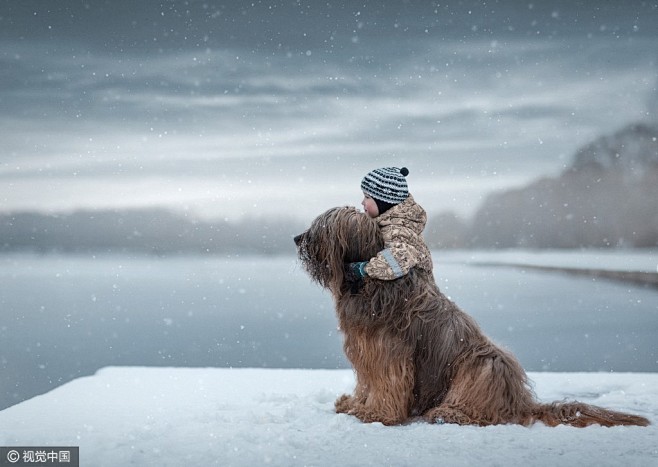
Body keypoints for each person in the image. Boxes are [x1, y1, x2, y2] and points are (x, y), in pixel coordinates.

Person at [346, 166, 433, 291]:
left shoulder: (396, 230)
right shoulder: (392, 224)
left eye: (367, 197)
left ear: (384, 202)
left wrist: (362, 269)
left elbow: (397, 262)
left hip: (413, 296)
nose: (362, 202)